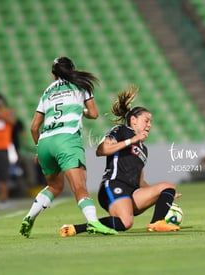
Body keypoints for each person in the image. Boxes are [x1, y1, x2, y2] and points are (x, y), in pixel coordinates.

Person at [59, 85, 181, 237]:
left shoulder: (144, 148)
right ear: (133, 120)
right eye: (146, 120)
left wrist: (163, 196)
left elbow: (141, 181)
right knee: (126, 222)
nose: (149, 125)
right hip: (113, 185)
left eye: (151, 122)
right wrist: (132, 140)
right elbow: (101, 150)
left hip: (133, 191)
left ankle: (157, 223)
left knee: (168, 187)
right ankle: (78, 228)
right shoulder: (121, 131)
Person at [19, 56, 118, 238]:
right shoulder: (81, 85)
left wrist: (38, 149)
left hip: (45, 142)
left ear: (52, 75)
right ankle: (94, 222)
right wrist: (82, 109)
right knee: (79, 186)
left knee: (54, 186)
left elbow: (34, 127)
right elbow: (94, 114)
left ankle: (29, 216)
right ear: (72, 69)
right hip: (67, 140)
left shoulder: (47, 91)